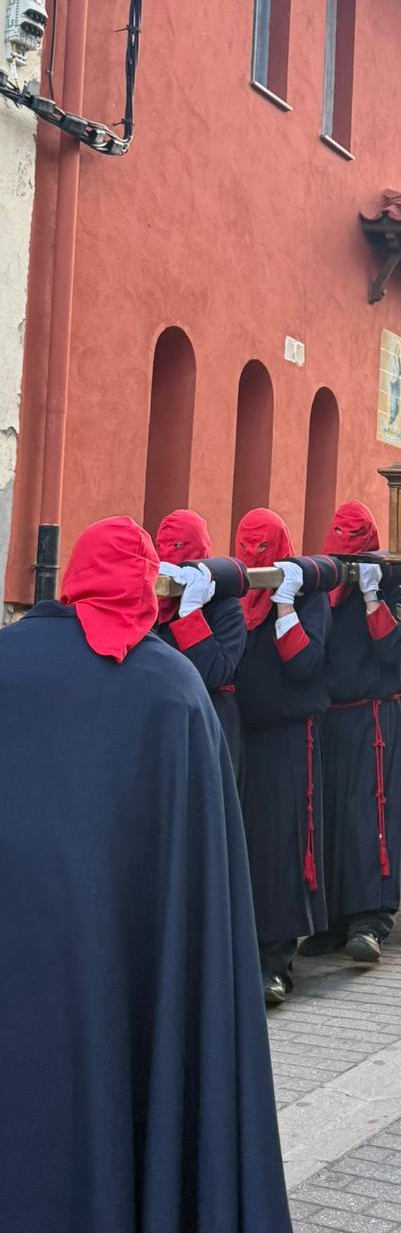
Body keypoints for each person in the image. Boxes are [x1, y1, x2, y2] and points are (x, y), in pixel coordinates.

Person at [0, 517, 292, 1231]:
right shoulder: (172, 688)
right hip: (130, 953)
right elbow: (204, 875)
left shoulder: (7, 659)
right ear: (146, 585)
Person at [304, 501, 401, 964]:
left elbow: (393, 649)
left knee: (370, 816)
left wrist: (372, 599)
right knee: (328, 818)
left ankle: (370, 918)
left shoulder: (390, 585)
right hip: (329, 718)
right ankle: (329, 918)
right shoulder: (321, 587)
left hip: (373, 717)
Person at [233, 507, 331, 1006]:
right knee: (242, 847)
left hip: (288, 739)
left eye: (262, 546)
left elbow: (304, 664)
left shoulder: (308, 596)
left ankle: (275, 962)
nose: (253, 555)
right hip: (240, 738)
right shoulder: (232, 594)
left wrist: (284, 605)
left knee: (281, 847)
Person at [155, 507, 247, 785]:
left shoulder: (226, 606)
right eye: (161, 547)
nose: (168, 554)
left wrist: (190, 615)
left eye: (178, 546)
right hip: (163, 724)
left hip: (209, 722)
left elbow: (214, 672)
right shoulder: (153, 602)